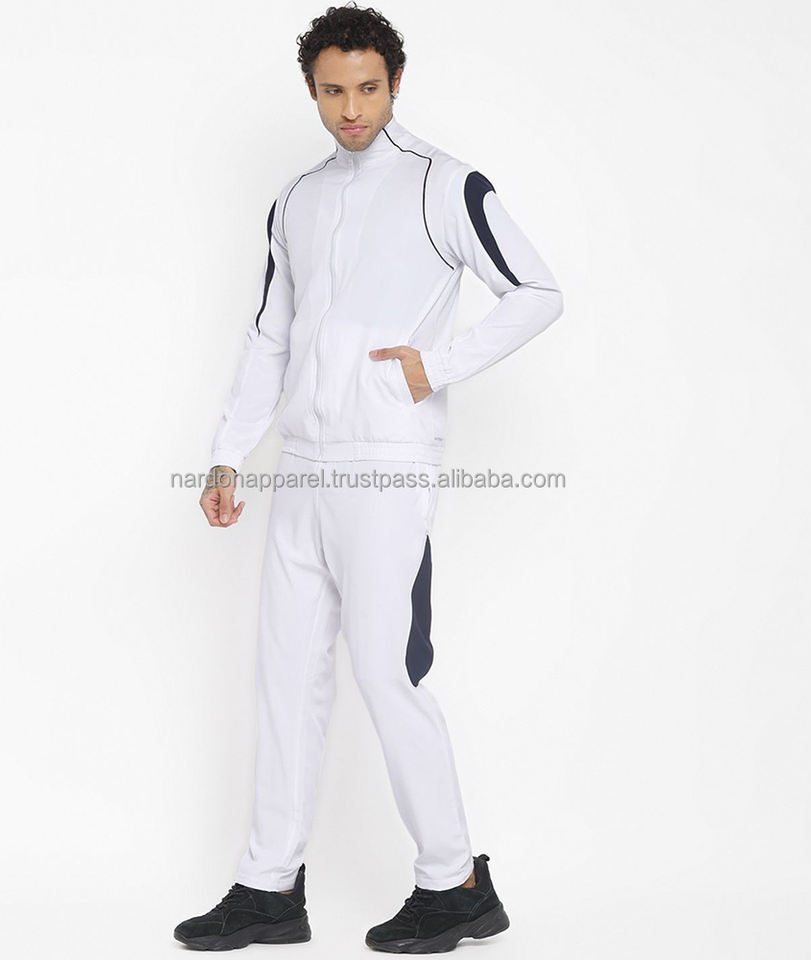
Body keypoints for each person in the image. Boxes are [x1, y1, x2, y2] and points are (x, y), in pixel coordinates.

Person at [173, 3, 563, 952]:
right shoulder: (298, 200)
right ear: (312, 91)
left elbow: (539, 291)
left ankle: (456, 882)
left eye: (367, 88)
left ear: (394, 84)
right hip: (302, 470)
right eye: (332, 91)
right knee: (285, 679)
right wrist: (229, 451)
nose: (351, 109)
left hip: (386, 467)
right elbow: (270, 336)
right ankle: (269, 889)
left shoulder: (445, 184)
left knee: (390, 673)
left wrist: (440, 367)